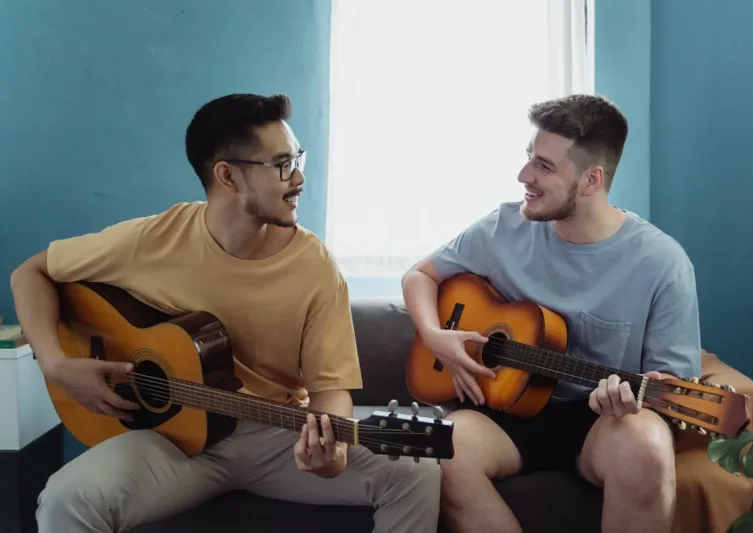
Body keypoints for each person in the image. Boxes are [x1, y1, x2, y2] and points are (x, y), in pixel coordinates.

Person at [10, 93, 440, 533]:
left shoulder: (315, 267)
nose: (298, 178)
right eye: (281, 164)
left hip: (276, 434)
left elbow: (330, 388)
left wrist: (332, 455)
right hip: (170, 441)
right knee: (65, 499)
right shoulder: (155, 239)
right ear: (228, 176)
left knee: (416, 472)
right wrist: (57, 364)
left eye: (298, 159)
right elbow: (31, 273)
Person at [401, 94, 701, 533]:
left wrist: (635, 399)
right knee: (442, 449)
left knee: (647, 445)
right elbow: (419, 275)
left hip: (601, 421)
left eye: (544, 166)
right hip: (503, 410)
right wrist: (434, 334)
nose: (524, 176)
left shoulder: (662, 263)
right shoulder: (501, 228)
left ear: (591, 179)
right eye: (529, 158)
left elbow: (674, 392)